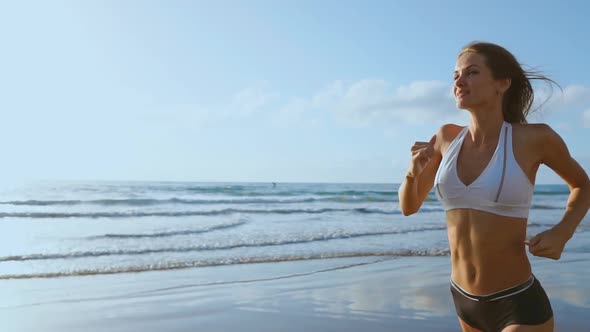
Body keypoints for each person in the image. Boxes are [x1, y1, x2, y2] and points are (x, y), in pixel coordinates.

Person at [398, 41, 590, 332]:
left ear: (502, 83)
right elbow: (408, 207)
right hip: (463, 299)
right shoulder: (446, 137)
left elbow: (583, 186)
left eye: (471, 73)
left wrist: (562, 232)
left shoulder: (535, 139)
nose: (459, 82)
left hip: (516, 301)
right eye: (455, 76)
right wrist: (413, 172)